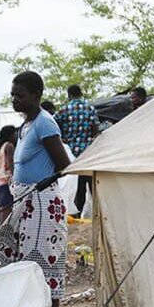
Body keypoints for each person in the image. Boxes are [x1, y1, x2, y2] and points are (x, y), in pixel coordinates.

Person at [0, 72, 71, 307]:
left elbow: (63, 163)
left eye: (20, 95)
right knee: (24, 267)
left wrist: (39, 185)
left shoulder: (45, 124)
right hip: (25, 201)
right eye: (12, 94)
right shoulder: (25, 126)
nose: (15, 99)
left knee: (44, 267)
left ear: (36, 96)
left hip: (42, 202)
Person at [54, 84, 98, 215]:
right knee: (90, 184)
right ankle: (95, 212)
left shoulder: (63, 110)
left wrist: (63, 138)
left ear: (69, 95)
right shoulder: (90, 109)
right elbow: (96, 131)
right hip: (87, 153)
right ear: (81, 93)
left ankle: (75, 212)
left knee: (74, 185)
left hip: (70, 155)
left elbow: (53, 125)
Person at [0, 125, 18, 221]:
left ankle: (2, 231)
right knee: (7, 210)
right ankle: (3, 233)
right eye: (15, 133)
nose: (16, 136)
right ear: (10, 135)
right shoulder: (9, 146)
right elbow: (9, 163)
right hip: (7, 180)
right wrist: (15, 177)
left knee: (2, 208)